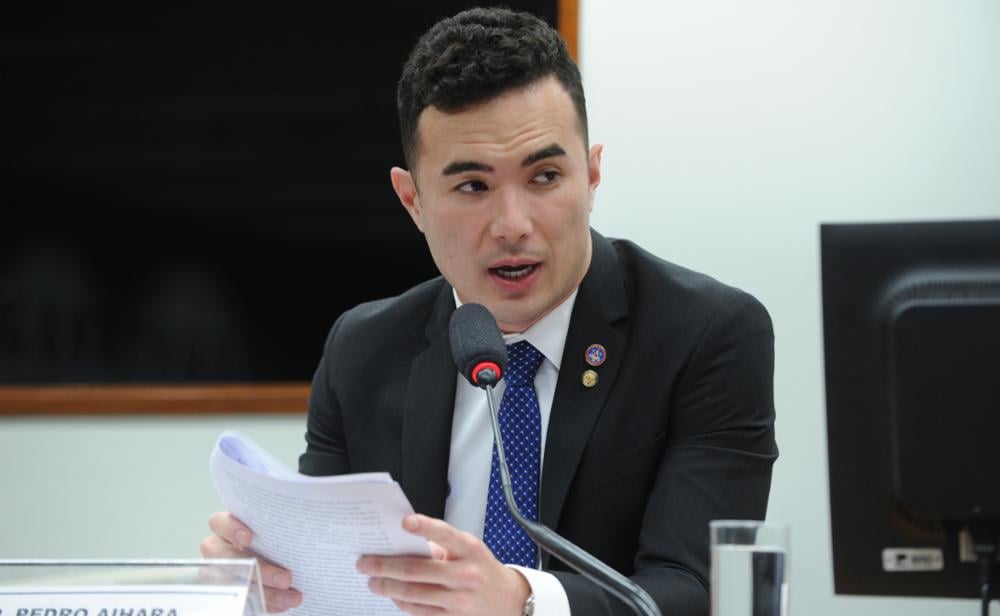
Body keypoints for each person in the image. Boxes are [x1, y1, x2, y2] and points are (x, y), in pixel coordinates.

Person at [201, 7, 777, 615]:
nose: (513, 226)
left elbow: (698, 591)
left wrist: (525, 601)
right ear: (412, 200)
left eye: (546, 176)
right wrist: (270, 579)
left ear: (593, 173)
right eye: (473, 186)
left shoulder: (706, 334)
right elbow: (332, 576)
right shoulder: (364, 349)